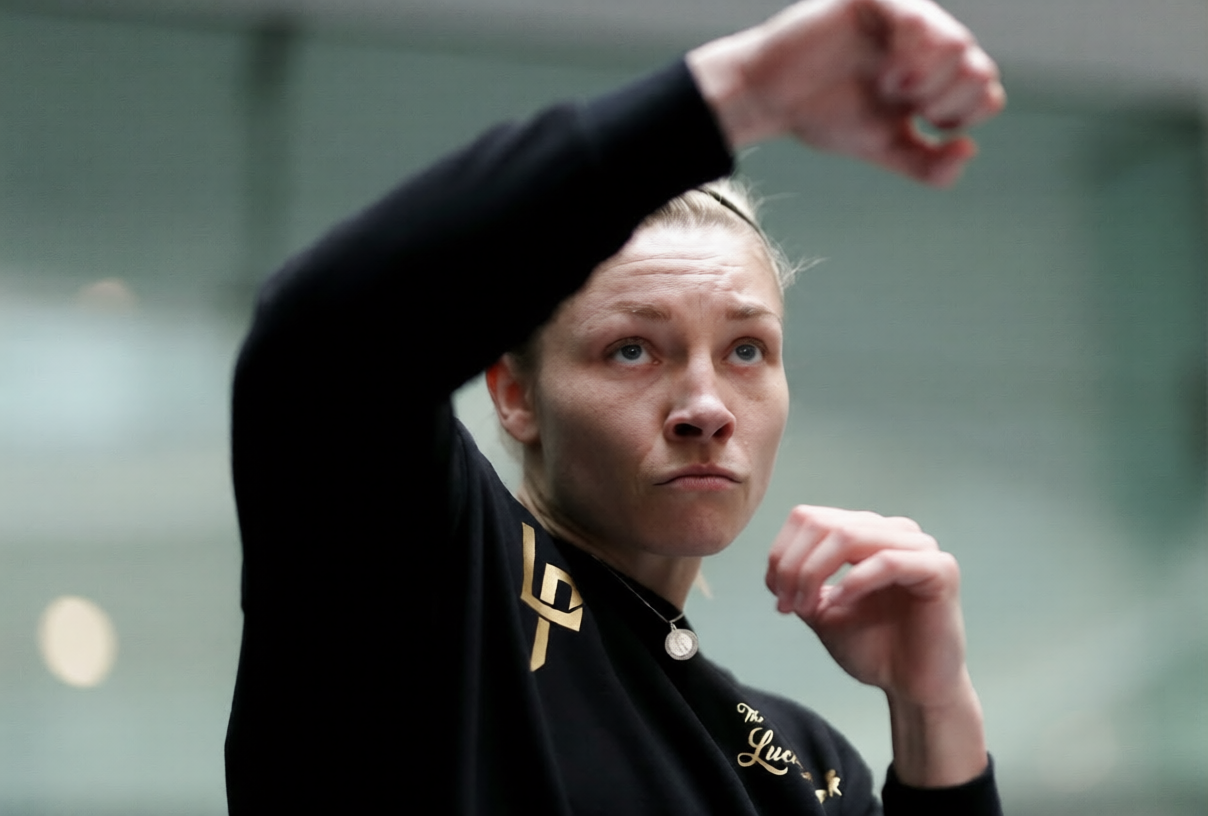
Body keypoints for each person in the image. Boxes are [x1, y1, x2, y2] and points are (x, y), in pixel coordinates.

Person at [223, 0, 1006, 812]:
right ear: (516, 395)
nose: (706, 407)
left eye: (746, 350)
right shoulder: (439, 582)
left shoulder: (803, 765)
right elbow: (327, 345)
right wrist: (744, 93)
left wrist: (933, 707)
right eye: (631, 349)